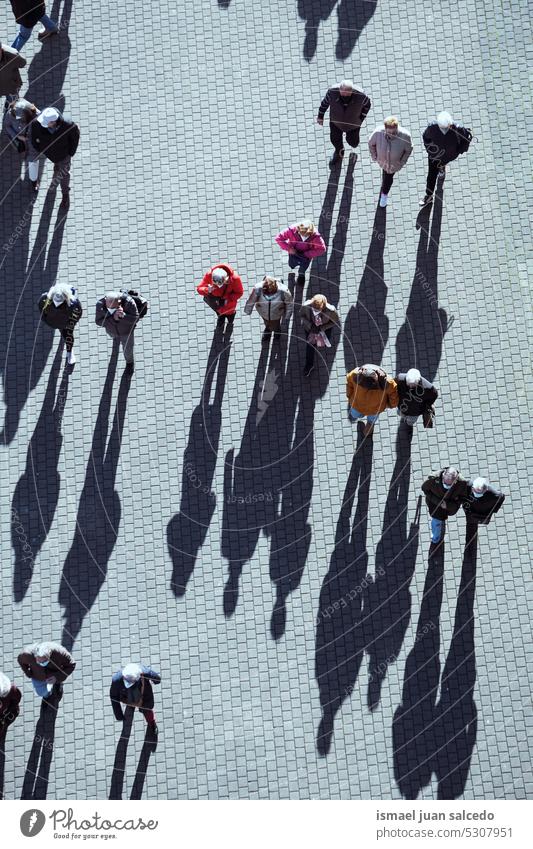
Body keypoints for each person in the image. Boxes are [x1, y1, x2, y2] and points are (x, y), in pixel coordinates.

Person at [30, 106, 80, 209]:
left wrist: (71, 153)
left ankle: (65, 194)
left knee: (64, 174)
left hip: (63, 155)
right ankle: (56, 168)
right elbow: (33, 138)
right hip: (50, 153)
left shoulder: (68, 125)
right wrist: (39, 148)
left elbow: (75, 138)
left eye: (46, 122)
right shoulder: (37, 123)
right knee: (58, 166)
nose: (42, 123)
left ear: (54, 122)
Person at [420, 110, 472, 206]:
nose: (443, 130)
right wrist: (430, 150)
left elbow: (466, 141)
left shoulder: (458, 129)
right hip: (435, 155)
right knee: (431, 175)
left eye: (445, 127)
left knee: (442, 164)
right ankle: (429, 195)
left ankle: (442, 168)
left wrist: (458, 151)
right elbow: (426, 138)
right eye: (441, 128)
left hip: (449, 155)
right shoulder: (432, 127)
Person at [317, 79, 371, 166]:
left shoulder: (362, 96)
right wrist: (320, 116)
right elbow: (325, 103)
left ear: (351, 91)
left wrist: (361, 118)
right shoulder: (332, 92)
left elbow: (367, 106)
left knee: (353, 142)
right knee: (335, 140)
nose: (344, 95)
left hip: (353, 124)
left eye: (347, 94)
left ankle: (351, 144)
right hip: (336, 122)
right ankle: (339, 152)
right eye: (342, 92)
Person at [368, 116, 413, 208]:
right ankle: (384, 187)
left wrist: (401, 162)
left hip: (393, 165)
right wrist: (374, 156)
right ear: (385, 129)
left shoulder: (405, 136)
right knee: (385, 174)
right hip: (382, 161)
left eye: (394, 131)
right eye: (389, 132)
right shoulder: (378, 133)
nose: (392, 134)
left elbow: (408, 150)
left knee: (388, 178)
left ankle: (384, 194)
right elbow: (371, 143)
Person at [110, 663, 161, 738]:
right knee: (132, 703)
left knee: (147, 710)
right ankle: (131, 705)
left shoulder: (143, 671)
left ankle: (151, 723)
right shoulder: (116, 680)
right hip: (127, 696)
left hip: (144, 697)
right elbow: (114, 696)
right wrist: (119, 715)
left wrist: (155, 680)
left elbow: (156, 678)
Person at [17, 641, 76, 707]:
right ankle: (48, 695)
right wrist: (28, 673)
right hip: (38, 677)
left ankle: (58, 685)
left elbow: (71, 665)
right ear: (35, 656)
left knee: (57, 683)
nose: (41, 664)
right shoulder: (27, 654)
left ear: (49, 655)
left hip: (54, 675)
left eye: (44, 662)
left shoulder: (59, 652)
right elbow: (20, 660)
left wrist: (57, 677)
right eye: (39, 662)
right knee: (41, 692)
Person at [345, 364, 398, 438]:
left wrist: (349, 395)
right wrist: (390, 405)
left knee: (355, 414)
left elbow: (349, 384)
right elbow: (393, 396)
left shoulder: (355, 375)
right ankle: (368, 430)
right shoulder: (388, 383)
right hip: (375, 409)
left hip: (357, 405)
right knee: (371, 421)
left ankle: (364, 421)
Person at [421, 467, 469, 544]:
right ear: (443, 476)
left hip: (449, 508)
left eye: (449, 484)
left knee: (440, 520)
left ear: (455, 480)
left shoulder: (462, 483)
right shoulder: (433, 479)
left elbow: (463, 498)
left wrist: (448, 505)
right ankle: (435, 538)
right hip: (434, 505)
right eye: (445, 482)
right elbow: (425, 489)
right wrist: (438, 502)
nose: (446, 485)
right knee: (436, 522)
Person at [38, 283, 82, 365]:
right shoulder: (45, 299)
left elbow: (78, 313)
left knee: (68, 336)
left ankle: (69, 351)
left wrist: (71, 324)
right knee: (62, 332)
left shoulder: (73, 303)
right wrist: (46, 320)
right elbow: (41, 310)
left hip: (67, 324)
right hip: (55, 323)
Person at [95, 291, 139, 373]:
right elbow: (98, 321)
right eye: (110, 308)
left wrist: (124, 316)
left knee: (128, 349)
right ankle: (116, 338)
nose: (112, 310)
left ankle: (129, 363)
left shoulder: (129, 303)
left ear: (119, 302)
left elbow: (135, 319)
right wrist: (113, 319)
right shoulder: (100, 305)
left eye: (114, 308)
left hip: (126, 332)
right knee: (114, 337)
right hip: (112, 331)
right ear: (105, 301)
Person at [3, 97, 41, 191]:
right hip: (20, 141)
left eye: (21, 118)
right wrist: (17, 136)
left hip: (32, 141)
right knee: (24, 155)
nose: (18, 120)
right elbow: (7, 126)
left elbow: (42, 123)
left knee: (33, 162)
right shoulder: (11, 113)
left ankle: (34, 181)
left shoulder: (35, 113)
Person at [275, 219, 326, 286]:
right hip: (293, 253)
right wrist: (289, 249)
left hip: (306, 257)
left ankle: (301, 275)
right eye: (300, 234)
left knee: (303, 267)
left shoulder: (316, 237)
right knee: (292, 264)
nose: (303, 238)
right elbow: (279, 238)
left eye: (305, 236)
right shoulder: (292, 230)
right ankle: (293, 266)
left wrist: (307, 254)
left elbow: (322, 249)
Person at [196, 263, 243, 333]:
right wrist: (207, 289)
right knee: (220, 314)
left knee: (230, 316)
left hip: (229, 305)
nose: (218, 287)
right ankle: (221, 319)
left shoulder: (235, 279)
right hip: (217, 304)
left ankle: (230, 322)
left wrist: (228, 298)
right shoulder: (209, 275)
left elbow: (239, 293)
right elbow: (199, 289)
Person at [244, 275, 293, 342]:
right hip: (263, 313)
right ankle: (268, 330)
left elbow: (289, 304)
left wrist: (287, 315)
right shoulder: (258, 288)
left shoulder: (284, 291)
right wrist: (248, 310)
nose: (268, 295)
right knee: (266, 322)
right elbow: (251, 300)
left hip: (276, 314)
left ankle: (277, 332)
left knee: (276, 324)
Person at [300, 294, 339, 376]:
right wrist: (310, 326)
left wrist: (323, 328)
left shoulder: (331, 310)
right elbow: (302, 316)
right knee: (310, 347)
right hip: (310, 330)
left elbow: (334, 321)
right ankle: (309, 365)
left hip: (324, 331)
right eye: (314, 309)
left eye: (318, 310)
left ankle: (320, 343)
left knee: (324, 341)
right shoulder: (306, 306)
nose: (315, 311)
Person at [0, 672, 21, 740]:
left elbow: (16, 700)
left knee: (4, 726)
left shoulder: (11, 689)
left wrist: (7, 713)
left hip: (9, 714)